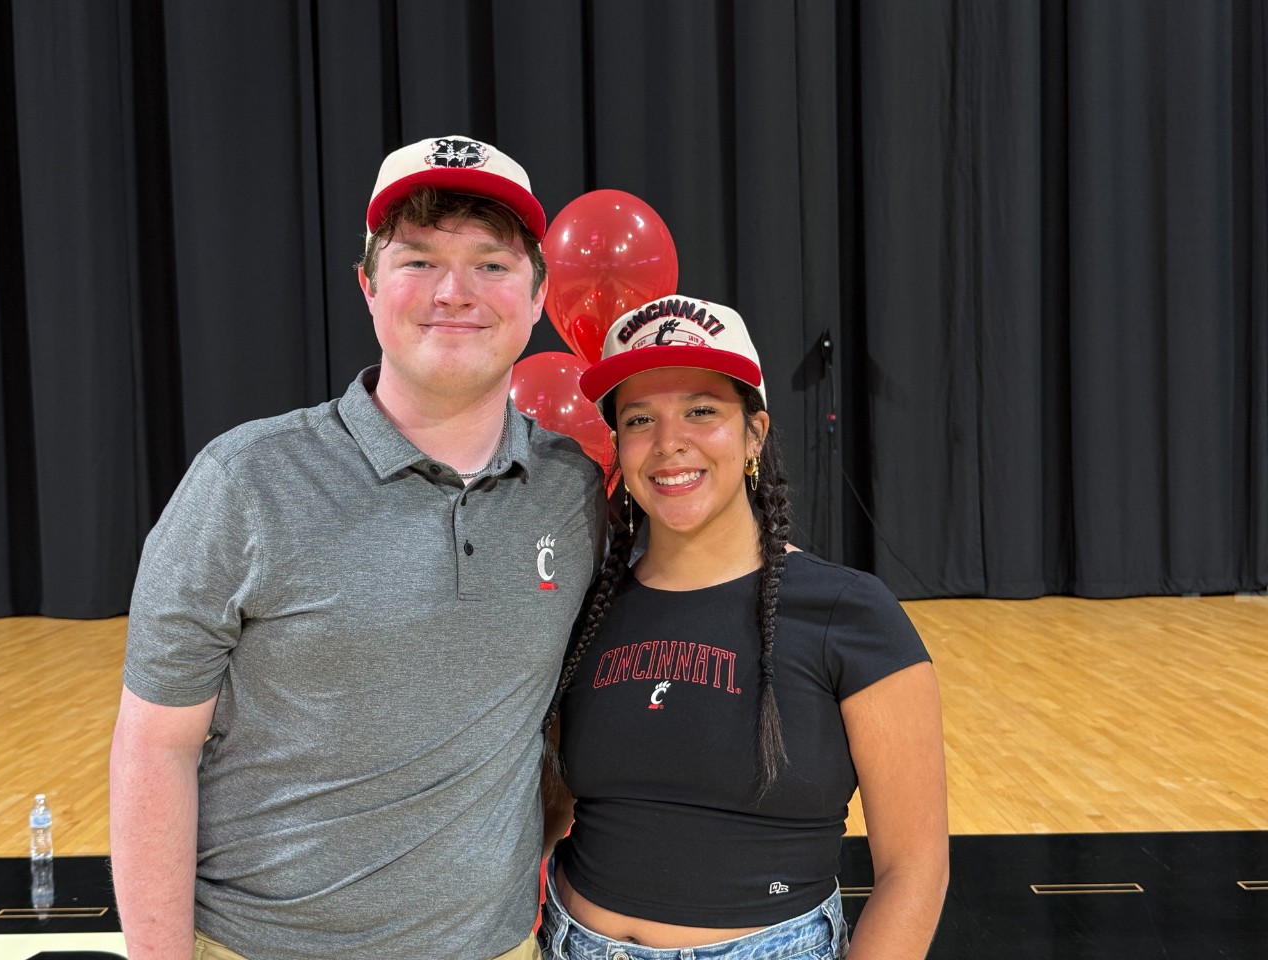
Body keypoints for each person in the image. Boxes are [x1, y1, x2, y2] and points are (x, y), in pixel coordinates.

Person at [109, 135, 605, 960]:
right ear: (368, 285)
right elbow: (156, 745)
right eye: (418, 261)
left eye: (492, 264)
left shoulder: (572, 489)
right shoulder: (245, 482)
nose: (456, 292)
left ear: (539, 294)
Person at [539, 295, 949, 960]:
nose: (670, 442)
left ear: (755, 432)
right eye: (640, 418)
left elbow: (916, 869)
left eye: (702, 411)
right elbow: (552, 810)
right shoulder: (587, 609)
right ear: (618, 444)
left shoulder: (850, 614)